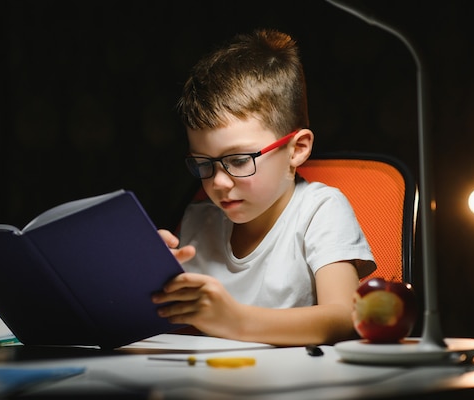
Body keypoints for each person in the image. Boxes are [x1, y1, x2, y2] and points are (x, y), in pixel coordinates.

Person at [153, 29, 376, 347]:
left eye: (240, 160)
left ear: (297, 148)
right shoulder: (197, 221)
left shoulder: (319, 210)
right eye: (203, 163)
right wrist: (148, 277)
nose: (217, 182)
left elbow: (345, 317)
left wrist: (236, 320)